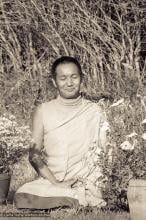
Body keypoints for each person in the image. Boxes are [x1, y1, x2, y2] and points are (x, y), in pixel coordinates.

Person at [14, 56, 107, 209]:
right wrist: (56, 183)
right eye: (63, 78)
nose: (69, 83)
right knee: (23, 194)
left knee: (90, 190)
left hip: (87, 178)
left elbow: (105, 150)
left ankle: (76, 198)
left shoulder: (95, 110)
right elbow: (34, 155)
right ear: (54, 82)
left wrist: (95, 178)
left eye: (74, 77)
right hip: (52, 180)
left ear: (81, 78)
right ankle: (74, 199)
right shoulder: (43, 111)